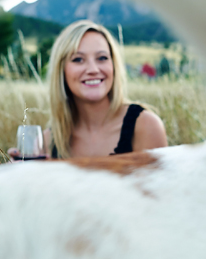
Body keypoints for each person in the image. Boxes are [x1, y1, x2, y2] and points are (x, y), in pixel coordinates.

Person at [9, 20, 167, 159]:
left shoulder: (146, 126)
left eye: (102, 58)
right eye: (78, 59)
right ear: (61, 71)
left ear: (113, 66)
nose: (93, 69)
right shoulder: (47, 142)